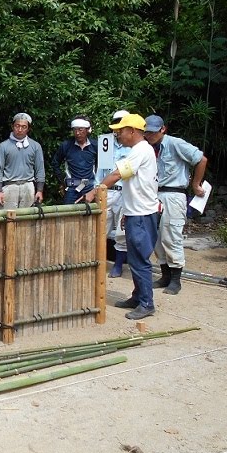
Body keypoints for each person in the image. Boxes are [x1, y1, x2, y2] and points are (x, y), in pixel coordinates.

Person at [83, 114, 158, 320]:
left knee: (140, 259)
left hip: (142, 215)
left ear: (132, 131)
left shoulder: (141, 151)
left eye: (121, 130)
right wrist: (126, 211)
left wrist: (95, 191)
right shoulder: (140, 150)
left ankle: (146, 303)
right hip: (136, 212)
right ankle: (138, 295)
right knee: (133, 257)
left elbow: (117, 174)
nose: (118, 134)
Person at [143, 115, 208, 295]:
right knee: (155, 237)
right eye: (147, 132)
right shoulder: (147, 147)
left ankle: (176, 279)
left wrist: (196, 184)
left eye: (153, 132)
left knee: (171, 235)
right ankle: (164, 275)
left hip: (173, 193)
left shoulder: (175, 143)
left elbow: (201, 159)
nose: (149, 135)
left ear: (162, 129)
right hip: (154, 194)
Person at [96, 110, 132, 277]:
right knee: (102, 226)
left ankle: (118, 265)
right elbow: (101, 170)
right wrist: (97, 188)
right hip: (107, 191)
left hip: (125, 192)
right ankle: (99, 263)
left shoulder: (133, 145)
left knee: (121, 230)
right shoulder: (106, 141)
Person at [0, 112, 45, 209]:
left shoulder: (35, 146)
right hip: (9, 186)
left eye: (24, 127)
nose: (20, 129)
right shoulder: (3, 146)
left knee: (27, 220)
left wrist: (39, 190)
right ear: (13, 126)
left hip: (28, 186)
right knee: (8, 219)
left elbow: (40, 169)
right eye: (17, 126)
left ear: (28, 129)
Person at [52, 116, 97, 205]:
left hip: (90, 186)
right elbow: (55, 163)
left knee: (91, 214)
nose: (77, 133)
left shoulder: (95, 145)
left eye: (80, 130)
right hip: (72, 187)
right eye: (75, 130)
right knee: (68, 214)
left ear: (87, 130)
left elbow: (101, 165)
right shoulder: (66, 146)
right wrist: (61, 180)